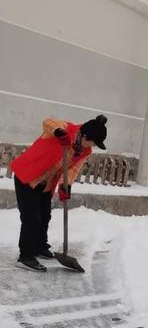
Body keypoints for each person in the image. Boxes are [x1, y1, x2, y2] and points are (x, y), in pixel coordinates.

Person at [10, 115, 107, 272]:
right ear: (84, 136)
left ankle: (39, 246)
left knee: (45, 215)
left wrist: (65, 186)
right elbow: (47, 122)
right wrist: (59, 132)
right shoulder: (66, 129)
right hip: (28, 175)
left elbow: (72, 169)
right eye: (93, 142)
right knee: (32, 218)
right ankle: (26, 256)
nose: (93, 146)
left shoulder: (85, 151)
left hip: (46, 182)